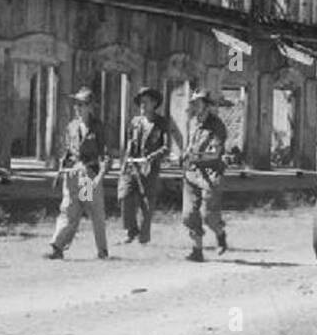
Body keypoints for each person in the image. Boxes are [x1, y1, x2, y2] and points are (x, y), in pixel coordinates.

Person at [46, 86, 109, 260]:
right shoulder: (72, 126)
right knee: (68, 209)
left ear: (90, 107)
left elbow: (104, 154)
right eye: (76, 104)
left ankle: (102, 250)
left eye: (81, 104)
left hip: (87, 175)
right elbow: (67, 150)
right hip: (72, 173)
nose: (77, 108)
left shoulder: (97, 127)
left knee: (93, 211)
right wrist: (61, 167)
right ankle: (57, 246)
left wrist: (99, 176)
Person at [180, 88, 228, 261]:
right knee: (188, 215)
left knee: (208, 216)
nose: (194, 105)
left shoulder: (217, 126)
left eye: (198, 102)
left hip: (210, 173)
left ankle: (220, 234)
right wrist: (185, 155)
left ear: (206, 106)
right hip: (192, 172)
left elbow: (216, 153)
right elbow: (189, 145)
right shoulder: (192, 123)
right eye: (193, 102)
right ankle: (197, 250)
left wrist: (196, 157)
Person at [118, 86, 171, 244]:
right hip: (132, 166)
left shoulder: (161, 123)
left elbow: (166, 147)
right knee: (124, 196)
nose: (142, 106)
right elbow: (129, 143)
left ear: (154, 104)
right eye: (140, 103)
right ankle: (130, 230)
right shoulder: (135, 122)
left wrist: (152, 157)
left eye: (145, 102)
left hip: (149, 168)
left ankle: (144, 237)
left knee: (146, 203)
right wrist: (124, 164)